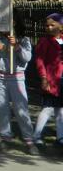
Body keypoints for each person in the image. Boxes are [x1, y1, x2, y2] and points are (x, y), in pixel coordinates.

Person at [0, 22, 38, 155]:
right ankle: (5, 137)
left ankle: (29, 140)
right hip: (0, 78)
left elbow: (27, 57)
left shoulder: (24, 40)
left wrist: (16, 46)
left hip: (17, 79)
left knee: (21, 109)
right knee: (2, 109)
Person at [33, 13, 63, 146]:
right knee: (48, 108)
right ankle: (36, 135)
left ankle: (60, 137)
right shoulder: (44, 41)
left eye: (52, 24)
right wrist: (44, 78)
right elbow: (40, 61)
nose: (49, 28)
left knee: (61, 110)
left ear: (61, 26)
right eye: (47, 25)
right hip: (51, 80)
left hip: (62, 80)